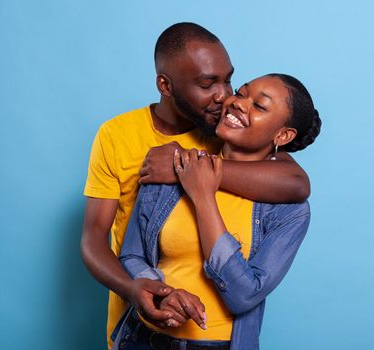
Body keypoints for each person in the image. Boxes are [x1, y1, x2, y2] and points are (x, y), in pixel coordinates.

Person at [81, 23, 310, 347]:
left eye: (229, 80)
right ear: (165, 84)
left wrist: (195, 170)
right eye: (207, 84)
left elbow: (297, 183)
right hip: (139, 319)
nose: (226, 96)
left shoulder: (222, 132)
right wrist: (138, 289)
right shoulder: (117, 136)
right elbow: (95, 240)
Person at [114, 73, 321, 349]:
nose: (238, 103)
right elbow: (132, 254)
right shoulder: (173, 167)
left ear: (282, 135)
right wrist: (162, 293)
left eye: (259, 106)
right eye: (241, 92)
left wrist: (203, 196)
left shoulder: (289, 212)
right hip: (143, 340)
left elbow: (244, 295)